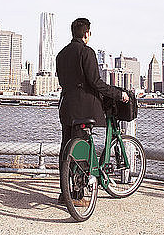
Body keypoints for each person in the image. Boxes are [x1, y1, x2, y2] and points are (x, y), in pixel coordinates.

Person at [55, 17, 128, 205]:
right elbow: (96, 82)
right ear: (86, 33)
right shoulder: (86, 52)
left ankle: (64, 193)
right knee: (82, 151)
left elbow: (64, 82)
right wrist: (119, 94)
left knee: (66, 150)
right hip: (84, 108)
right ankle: (77, 196)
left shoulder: (61, 55)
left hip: (66, 107)